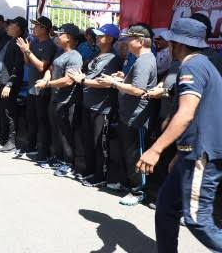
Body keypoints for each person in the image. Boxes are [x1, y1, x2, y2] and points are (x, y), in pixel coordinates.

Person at [136, 18, 222, 253]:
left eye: (170, 41)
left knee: (198, 219)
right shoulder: (204, 63)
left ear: (179, 44)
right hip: (190, 152)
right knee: (165, 207)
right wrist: (180, 153)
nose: (167, 45)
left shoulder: (192, 66)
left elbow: (186, 114)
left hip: (201, 153)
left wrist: (155, 150)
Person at [99, 24, 158, 206]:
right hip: (129, 114)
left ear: (140, 42)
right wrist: (121, 78)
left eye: (129, 39)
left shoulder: (145, 60)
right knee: (127, 152)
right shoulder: (139, 59)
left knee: (136, 154)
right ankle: (127, 184)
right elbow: (134, 83)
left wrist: (113, 83)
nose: (125, 43)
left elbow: (138, 90)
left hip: (137, 116)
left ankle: (138, 190)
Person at [68, 24, 123, 187]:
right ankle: (89, 170)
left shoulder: (113, 58)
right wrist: (82, 76)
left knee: (100, 144)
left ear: (111, 39)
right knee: (88, 141)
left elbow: (107, 83)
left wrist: (83, 80)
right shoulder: (98, 54)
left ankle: (100, 176)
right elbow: (91, 75)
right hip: (88, 104)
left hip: (102, 107)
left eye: (101, 36)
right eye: (97, 35)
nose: (97, 38)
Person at [35, 24, 83, 177]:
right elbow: (50, 69)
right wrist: (47, 77)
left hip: (66, 101)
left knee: (65, 133)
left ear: (68, 37)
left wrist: (47, 84)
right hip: (55, 98)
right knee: (56, 130)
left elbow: (69, 80)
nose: (56, 36)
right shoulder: (60, 53)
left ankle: (68, 163)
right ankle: (59, 158)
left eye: (60, 34)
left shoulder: (75, 56)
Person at [17, 16, 56, 160]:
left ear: (44, 29)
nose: (33, 28)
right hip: (31, 89)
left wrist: (27, 51)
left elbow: (41, 66)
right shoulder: (34, 43)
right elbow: (27, 62)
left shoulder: (49, 45)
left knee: (42, 121)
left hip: (42, 90)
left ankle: (43, 151)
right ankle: (31, 145)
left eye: (37, 26)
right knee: (31, 119)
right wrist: (24, 51)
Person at [0, 17, 27, 152]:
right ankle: (3, 137)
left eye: (11, 24)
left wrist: (9, 84)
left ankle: (12, 141)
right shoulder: (11, 41)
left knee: (10, 112)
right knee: (2, 110)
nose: (8, 26)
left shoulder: (20, 42)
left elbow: (17, 67)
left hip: (10, 84)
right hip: (2, 82)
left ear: (18, 27)